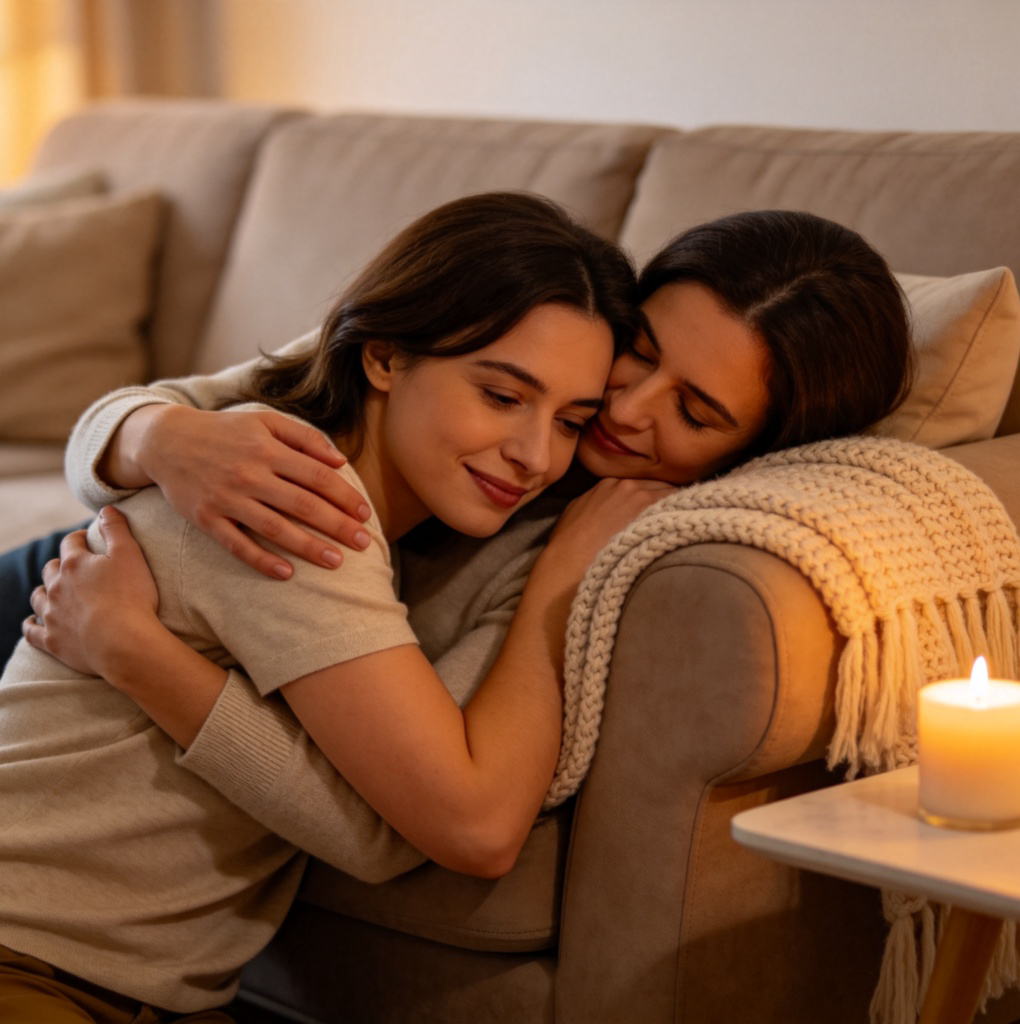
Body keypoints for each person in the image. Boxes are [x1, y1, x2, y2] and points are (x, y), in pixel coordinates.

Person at [16, 206, 915, 842]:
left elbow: (433, 818)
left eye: (696, 411)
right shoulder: (521, 340)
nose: (624, 408)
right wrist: (164, 436)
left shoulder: (598, 520)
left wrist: (136, 653)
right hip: (52, 579)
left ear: (751, 452)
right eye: (639, 353)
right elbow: (198, 401)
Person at [0, 190, 658, 1022]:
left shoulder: (449, 513)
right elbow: (465, 829)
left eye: (572, 420)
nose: (534, 455)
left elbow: (383, 828)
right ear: (384, 359)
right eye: (501, 396)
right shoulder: (299, 505)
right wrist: (563, 584)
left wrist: (136, 651)